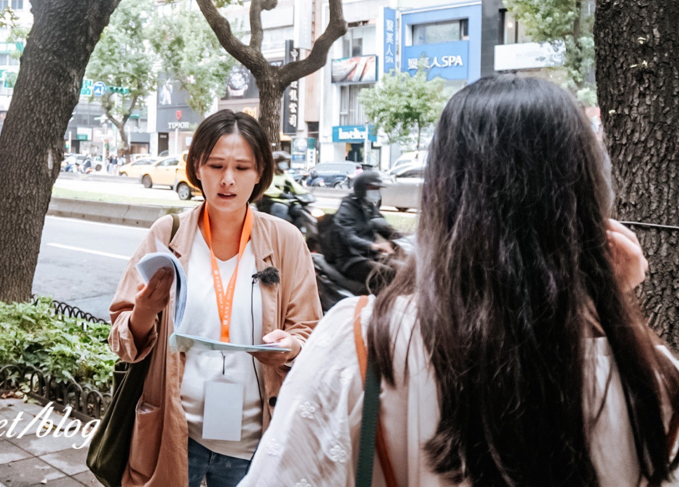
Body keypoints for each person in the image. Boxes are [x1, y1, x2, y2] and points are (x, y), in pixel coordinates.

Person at [240, 76, 679, 486]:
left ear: (443, 192)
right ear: (588, 199)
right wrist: (608, 305)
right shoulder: (651, 378)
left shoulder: (365, 342)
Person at [109, 109, 322, 487]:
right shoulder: (168, 234)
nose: (227, 180)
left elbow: (308, 330)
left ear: (260, 175)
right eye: (216, 165)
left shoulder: (286, 240)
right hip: (174, 433)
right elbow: (122, 339)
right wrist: (144, 311)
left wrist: (290, 346)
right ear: (196, 168)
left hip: (254, 441)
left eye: (242, 168)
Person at [327, 169, 395, 288]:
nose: (376, 192)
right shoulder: (346, 209)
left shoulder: (368, 207)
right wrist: (375, 246)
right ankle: (380, 304)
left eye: (377, 189)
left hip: (368, 255)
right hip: (351, 259)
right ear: (361, 188)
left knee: (402, 268)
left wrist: (402, 240)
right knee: (388, 274)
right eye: (372, 188)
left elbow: (383, 226)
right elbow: (349, 237)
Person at [259, 151, 309, 222]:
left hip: (284, 201)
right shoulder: (268, 175)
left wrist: (305, 193)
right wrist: (281, 194)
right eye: (282, 162)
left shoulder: (284, 175)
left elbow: (295, 186)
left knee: (298, 209)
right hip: (268, 202)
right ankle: (277, 230)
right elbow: (268, 188)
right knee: (281, 208)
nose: (285, 164)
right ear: (275, 163)